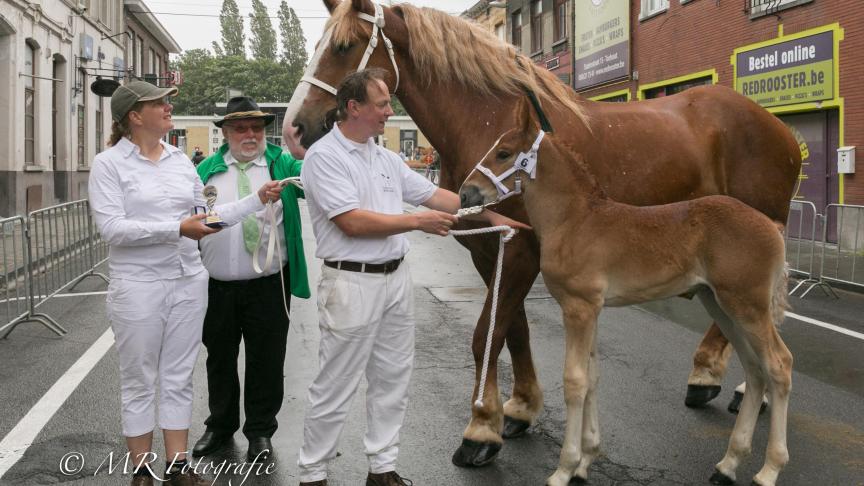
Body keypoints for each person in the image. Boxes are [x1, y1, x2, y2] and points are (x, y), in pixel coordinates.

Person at [296, 68, 530, 486]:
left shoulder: (385, 157)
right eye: (382, 104)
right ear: (354, 107)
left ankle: (382, 469)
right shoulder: (323, 157)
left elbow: (436, 196)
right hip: (351, 284)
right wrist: (416, 223)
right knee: (335, 385)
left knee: (392, 379)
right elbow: (350, 222)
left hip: (394, 282)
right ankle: (313, 474)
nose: (390, 111)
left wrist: (490, 214)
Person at [88, 81, 284, 486]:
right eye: (159, 103)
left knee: (178, 375)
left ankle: (178, 467)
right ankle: (141, 470)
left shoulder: (179, 160)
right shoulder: (108, 164)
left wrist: (256, 200)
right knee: (139, 377)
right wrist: (177, 228)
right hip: (138, 285)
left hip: (187, 283)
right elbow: (112, 229)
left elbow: (205, 217)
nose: (167, 108)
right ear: (134, 116)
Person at [191, 97, 309, 463]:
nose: (250, 135)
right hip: (217, 285)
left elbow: (314, 179)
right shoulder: (204, 171)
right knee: (219, 357)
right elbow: (199, 222)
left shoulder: (281, 163)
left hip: (269, 284)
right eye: (240, 128)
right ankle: (220, 425)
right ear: (224, 132)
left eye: (256, 127)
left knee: (267, 359)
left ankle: (260, 430)